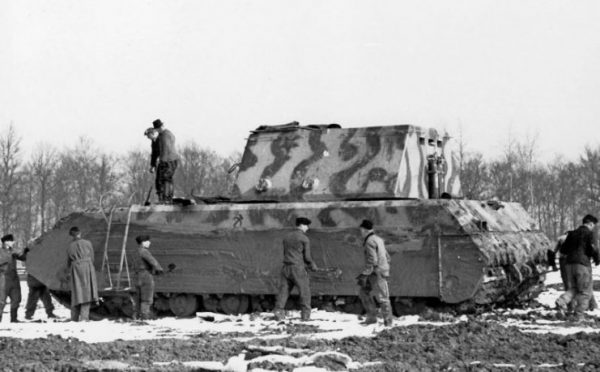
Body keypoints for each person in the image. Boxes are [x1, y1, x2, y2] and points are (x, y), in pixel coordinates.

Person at [555, 214, 599, 321]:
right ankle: (579, 315)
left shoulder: (572, 233)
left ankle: (562, 301)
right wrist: (597, 259)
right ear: (590, 223)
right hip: (582, 265)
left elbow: (564, 249)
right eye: (593, 225)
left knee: (574, 288)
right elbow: (593, 249)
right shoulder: (589, 233)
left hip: (569, 264)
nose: (593, 227)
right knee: (585, 291)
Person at [274, 217, 317, 321]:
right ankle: (305, 316)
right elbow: (307, 257)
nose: (308, 228)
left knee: (284, 291)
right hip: (297, 268)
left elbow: (286, 253)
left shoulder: (286, 237)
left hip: (286, 268)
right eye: (307, 225)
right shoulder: (304, 238)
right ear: (302, 225)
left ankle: (278, 312)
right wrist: (312, 265)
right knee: (304, 291)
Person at [356, 220, 393, 326]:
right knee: (379, 294)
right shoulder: (379, 239)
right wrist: (385, 267)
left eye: (361, 230)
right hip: (382, 270)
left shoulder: (369, 241)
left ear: (364, 229)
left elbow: (372, 260)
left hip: (375, 271)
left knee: (370, 294)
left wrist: (365, 274)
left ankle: (380, 320)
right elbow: (388, 257)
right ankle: (384, 320)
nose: (360, 232)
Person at [66, 226, 99, 321]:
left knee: (76, 292)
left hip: (75, 268)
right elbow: (92, 257)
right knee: (87, 292)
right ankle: (84, 317)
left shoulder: (69, 246)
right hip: (86, 267)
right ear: (80, 233)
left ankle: (74, 317)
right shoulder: (87, 243)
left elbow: (68, 261)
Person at [131, 235, 164, 320]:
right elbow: (152, 261)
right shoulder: (144, 251)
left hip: (136, 276)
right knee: (146, 299)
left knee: (138, 299)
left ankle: (136, 317)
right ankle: (145, 318)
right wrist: (159, 269)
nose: (149, 242)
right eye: (147, 241)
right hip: (145, 276)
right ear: (143, 242)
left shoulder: (134, 252)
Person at [150, 119, 179, 204]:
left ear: (161, 127)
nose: (158, 130)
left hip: (169, 160)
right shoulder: (164, 134)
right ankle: (166, 198)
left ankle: (166, 198)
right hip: (170, 159)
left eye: (158, 129)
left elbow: (166, 148)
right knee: (166, 178)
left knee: (165, 178)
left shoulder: (164, 136)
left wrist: (162, 160)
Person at [0, 234, 26, 322]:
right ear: (6, 242)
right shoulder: (1, 251)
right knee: (1, 300)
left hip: (14, 278)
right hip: (3, 278)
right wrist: (10, 256)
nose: (13, 242)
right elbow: (3, 261)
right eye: (11, 241)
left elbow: (23, 257)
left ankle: (14, 318)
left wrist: (27, 251)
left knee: (17, 298)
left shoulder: (14, 251)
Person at [144, 127, 160, 204]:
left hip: (163, 162)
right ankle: (160, 197)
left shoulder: (160, 140)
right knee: (158, 181)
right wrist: (152, 165)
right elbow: (153, 155)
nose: (147, 137)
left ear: (152, 133)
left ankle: (164, 198)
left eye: (148, 135)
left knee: (162, 180)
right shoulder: (153, 142)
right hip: (158, 163)